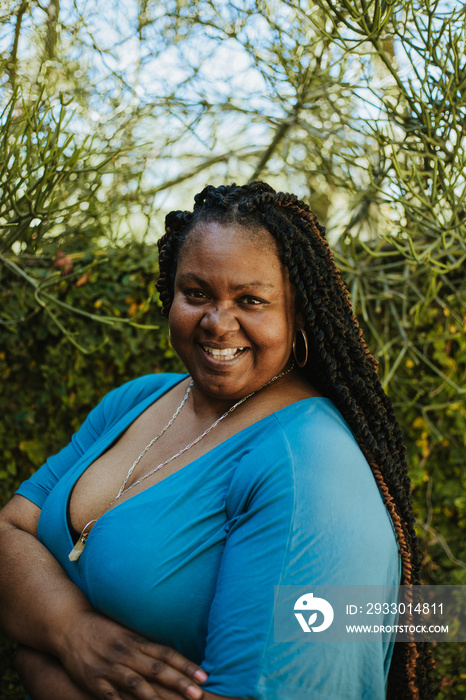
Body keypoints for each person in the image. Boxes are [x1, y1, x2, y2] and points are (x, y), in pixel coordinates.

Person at [0, 181, 432, 700]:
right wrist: (69, 632)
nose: (217, 323)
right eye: (197, 293)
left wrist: (42, 668)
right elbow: (9, 528)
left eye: (251, 299)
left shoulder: (310, 464)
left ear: (298, 313)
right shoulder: (136, 401)